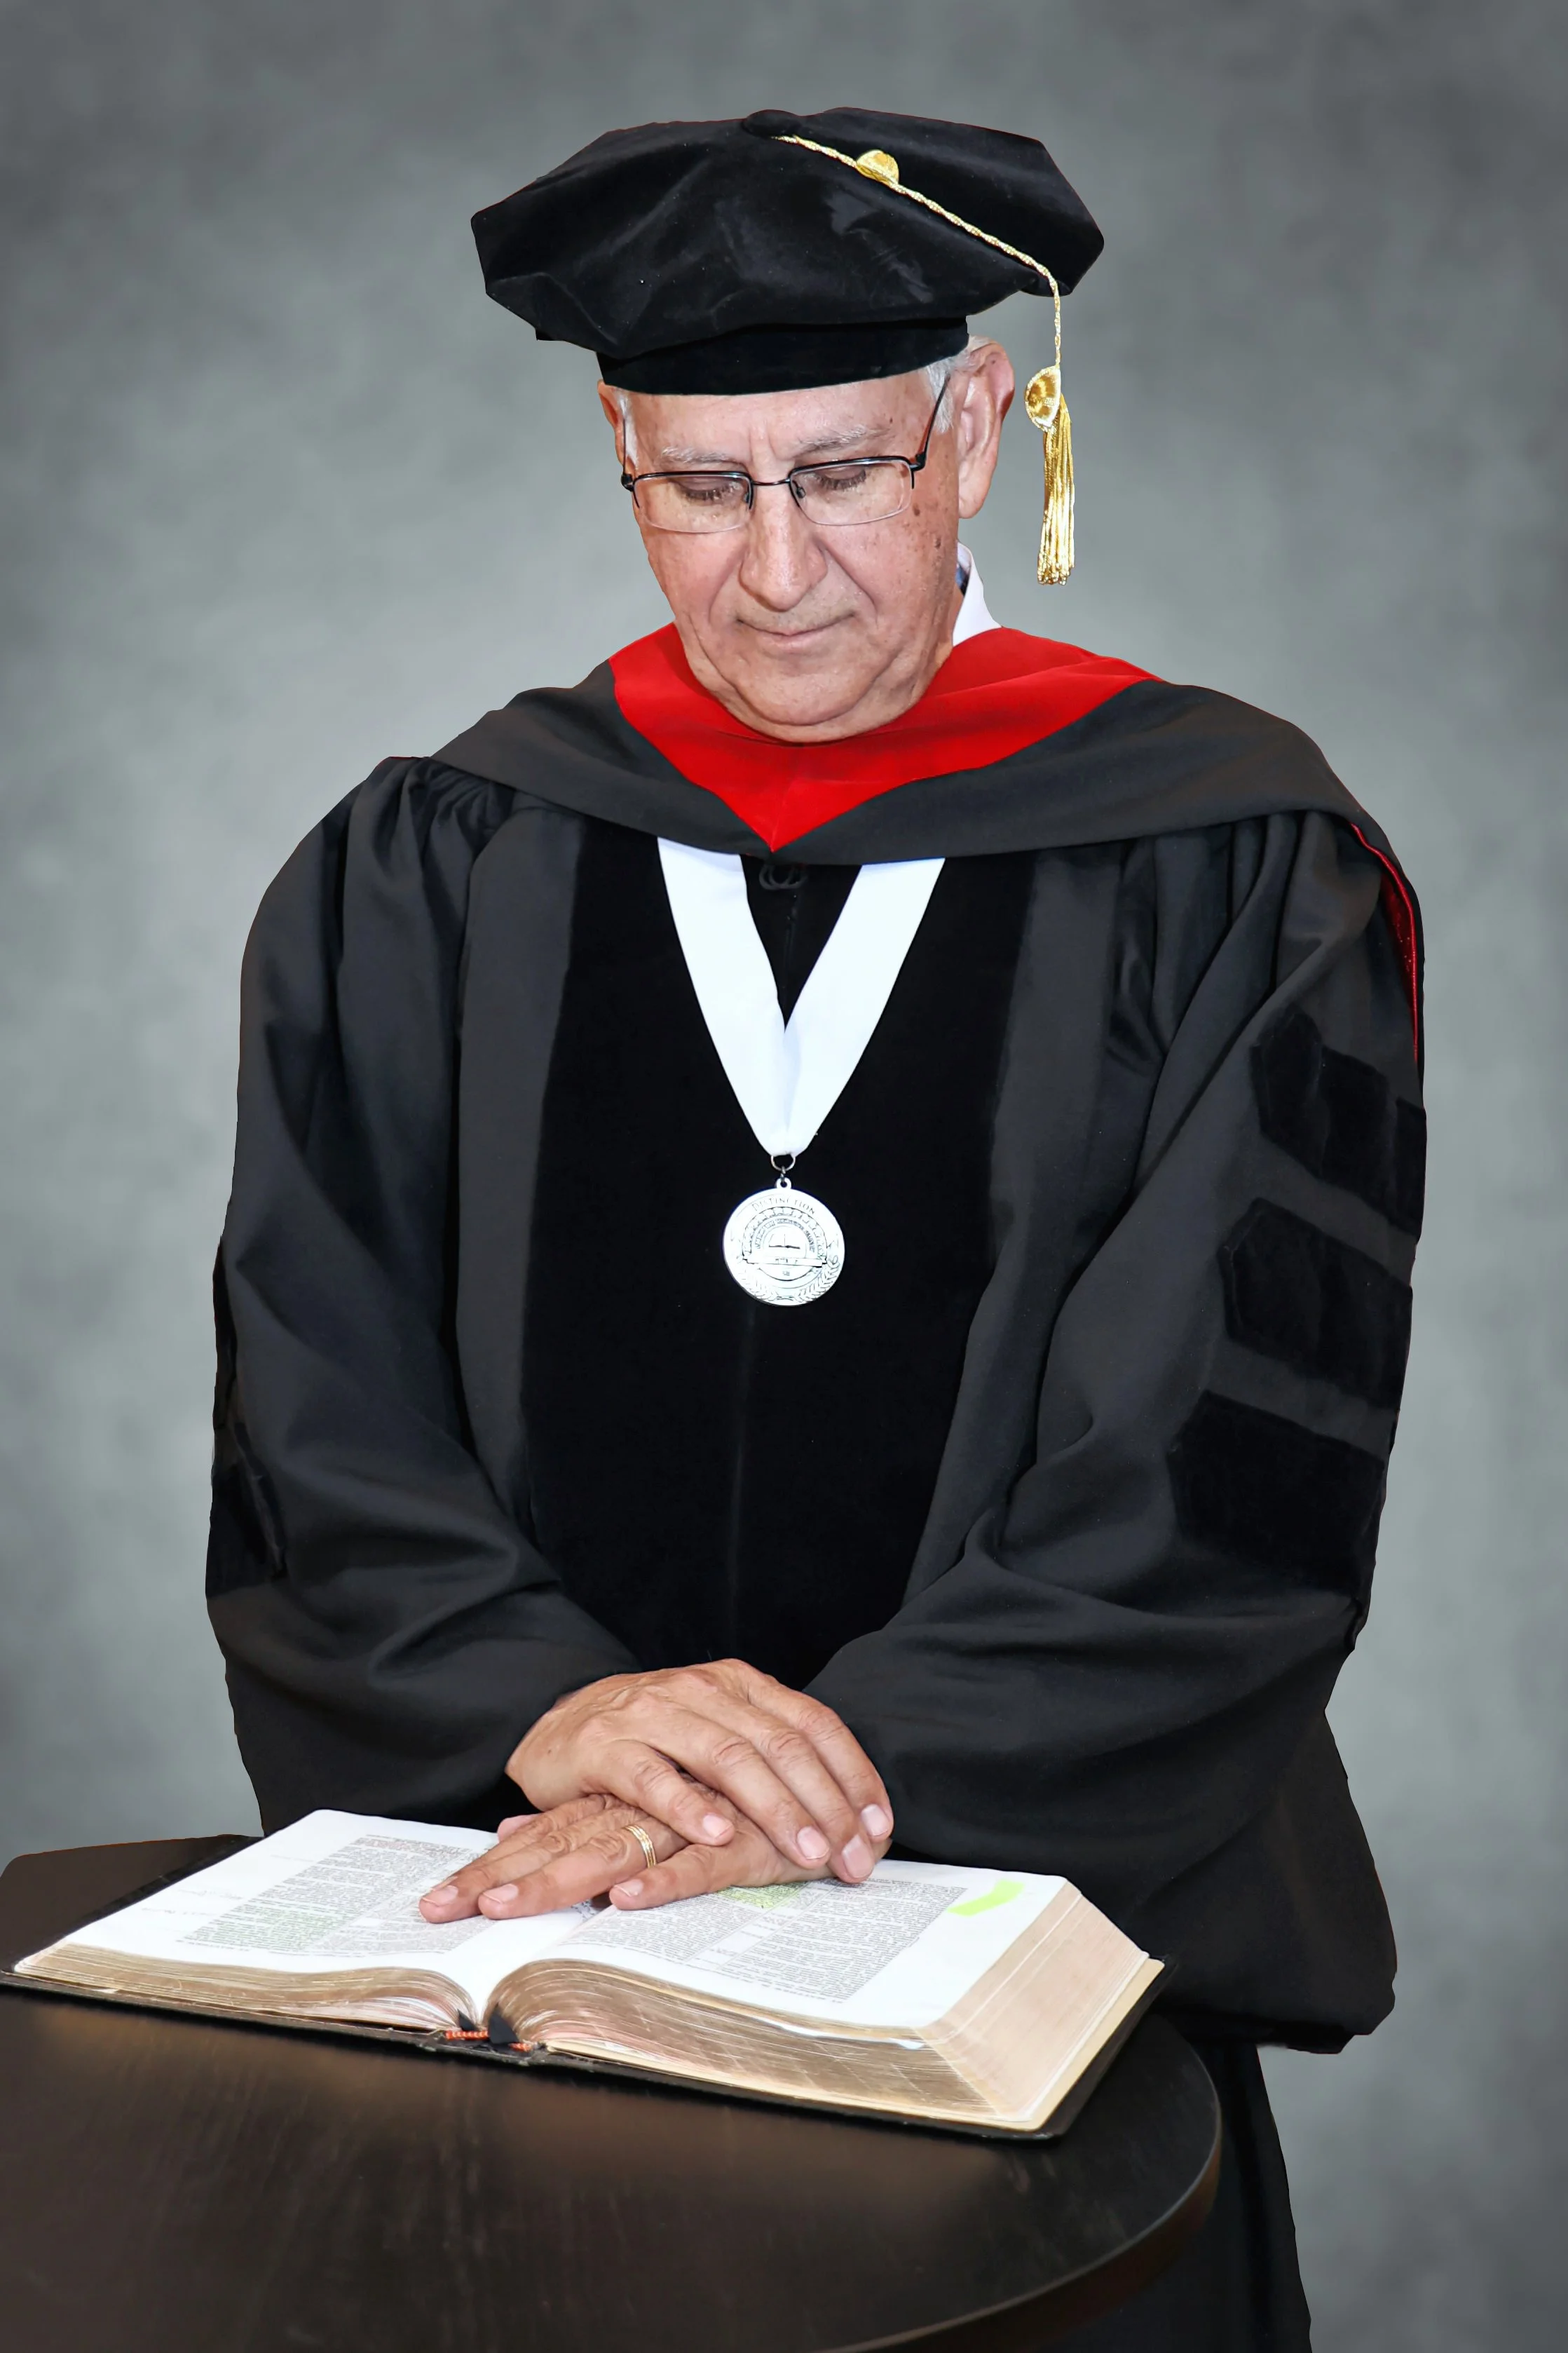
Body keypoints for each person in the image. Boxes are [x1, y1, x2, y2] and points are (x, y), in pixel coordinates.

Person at [206, 107, 1424, 2349]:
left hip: (1003, 1972)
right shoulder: (438, 862)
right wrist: (548, 1706)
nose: (774, 572)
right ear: (619, 450)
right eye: (701, 485)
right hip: (539, 1963)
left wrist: (834, 1787)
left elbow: (1226, 1459)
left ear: (971, 430)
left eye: (841, 472)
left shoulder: (1226, 858)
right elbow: (320, 1395)